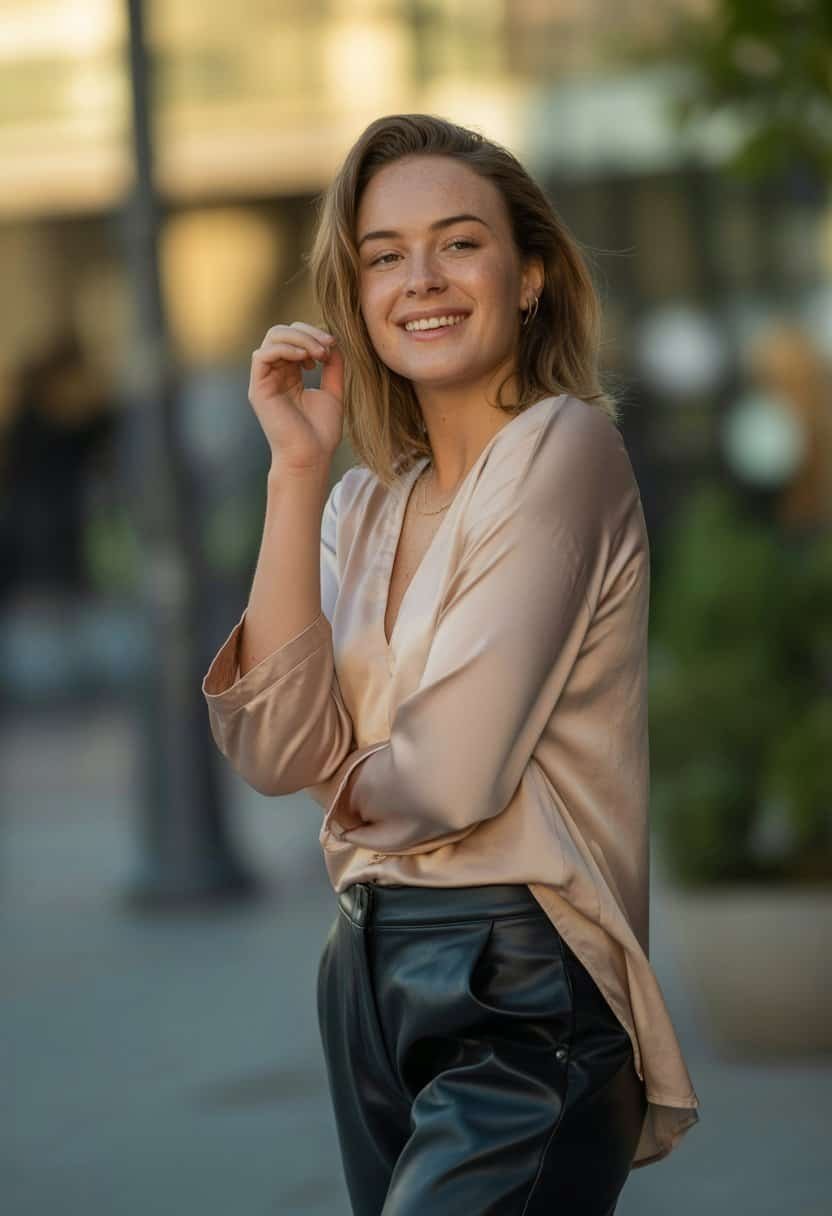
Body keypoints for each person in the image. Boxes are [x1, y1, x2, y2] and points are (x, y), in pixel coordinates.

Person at [202, 113, 700, 1214]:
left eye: (457, 242)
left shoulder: (566, 448)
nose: (419, 278)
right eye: (384, 255)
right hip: (365, 979)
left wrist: (346, 775)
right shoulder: (359, 504)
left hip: (519, 976)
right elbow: (276, 747)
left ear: (528, 276)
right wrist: (295, 468)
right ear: (358, 293)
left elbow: (452, 776)